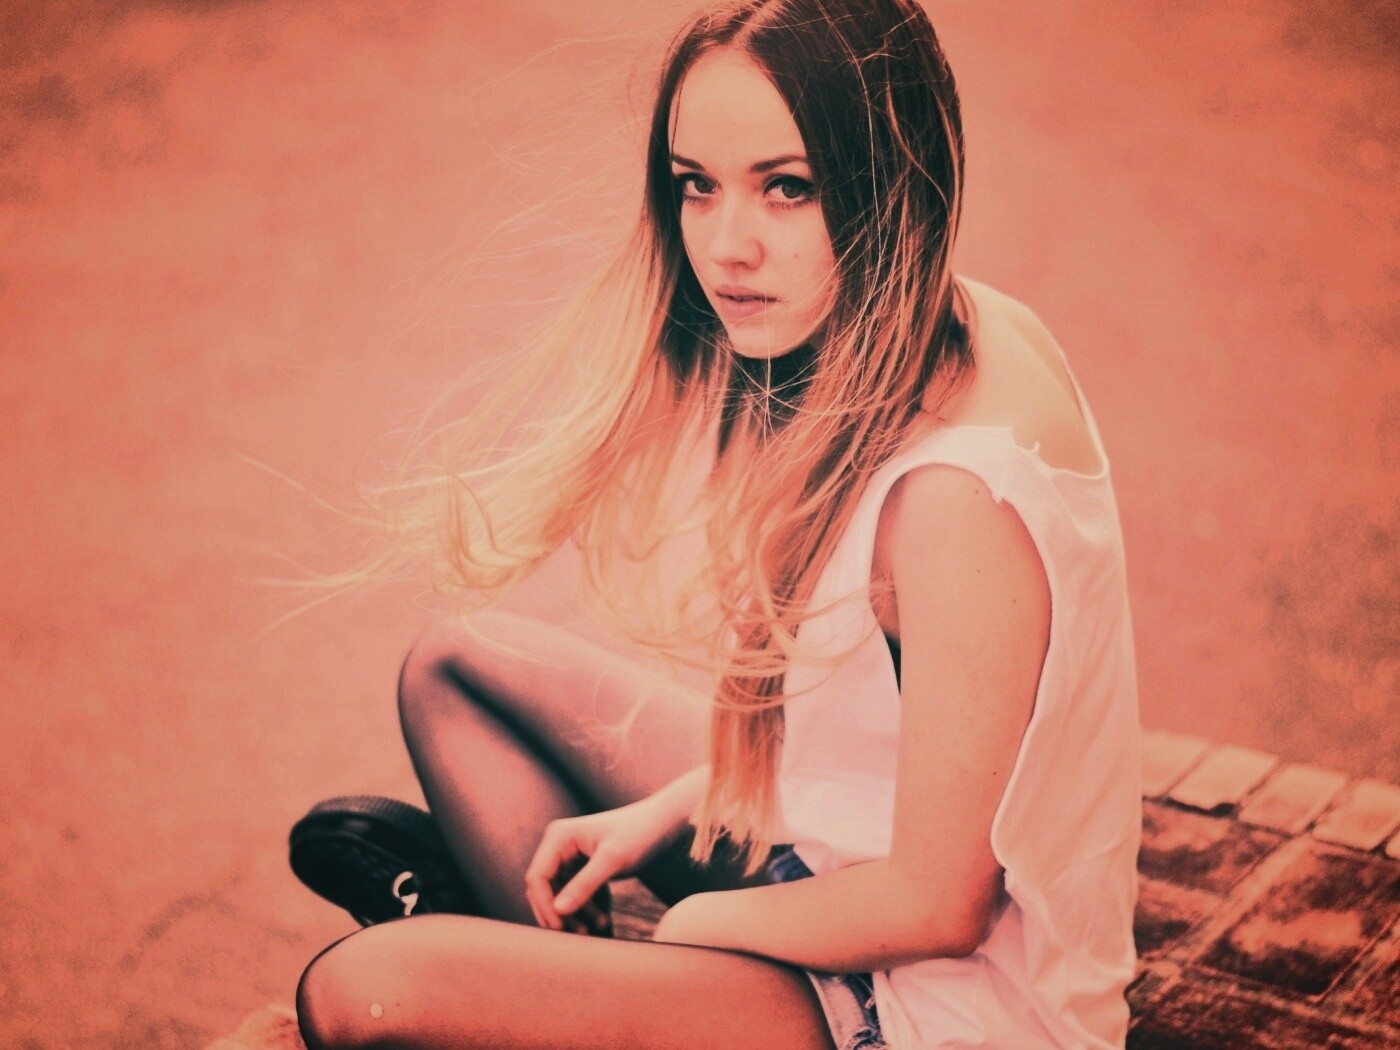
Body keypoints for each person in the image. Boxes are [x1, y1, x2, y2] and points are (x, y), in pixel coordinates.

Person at [291, 0, 1142, 1046]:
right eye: (697, 184)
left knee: (358, 992)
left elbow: (939, 904)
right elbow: (876, 738)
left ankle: (507, 966)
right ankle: (529, 977)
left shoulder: (955, 499)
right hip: (836, 851)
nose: (726, 246)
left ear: (891, 180)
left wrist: (691, 929)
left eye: (788, 187)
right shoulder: (939, 323)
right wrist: (667, 811)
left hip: (928, 1005)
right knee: (457, 668)